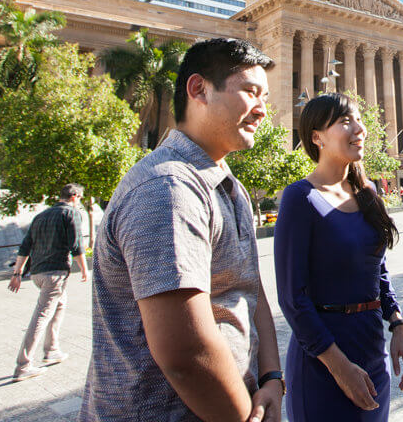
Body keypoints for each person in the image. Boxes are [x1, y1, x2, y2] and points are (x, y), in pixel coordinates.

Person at [80, 38, 284, 422]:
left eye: (266, 97)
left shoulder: (227, 185)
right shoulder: (167, 188)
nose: (262, 110)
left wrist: (272, 377)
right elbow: (185, 355)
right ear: (198, 90)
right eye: (250, 92)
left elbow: (249, 291)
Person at [275, 93, 403, 421]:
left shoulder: (367, 194)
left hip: (370, 352)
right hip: (322, 362)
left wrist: (397, 323)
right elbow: (292, 299)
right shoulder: (300, 199)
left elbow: (377, 269)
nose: (359, 129)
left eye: (359, 120)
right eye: (345, 121)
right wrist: (339, 367)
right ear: (316, 137)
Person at [9, 182, 89, 381]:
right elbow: (76, 244)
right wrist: (85, 269)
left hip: (37, 273)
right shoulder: (71, 214)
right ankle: (23, 365)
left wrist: (17, 273)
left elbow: (25, 245)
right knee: (42, 315)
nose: (79, 202)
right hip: (55, 272)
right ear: (74, 196)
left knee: (60, 305)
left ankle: (51, 349)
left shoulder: (41, 216)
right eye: (79, 199)